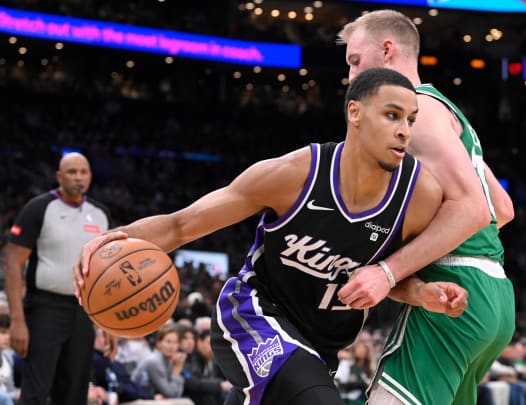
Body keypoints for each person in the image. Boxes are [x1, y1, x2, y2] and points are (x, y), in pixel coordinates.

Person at [73, 68, 469, 405]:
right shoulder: (294, 174)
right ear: (355, 112)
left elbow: (382, 277)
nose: (404, 132)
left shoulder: (418, 197)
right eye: (392, 115)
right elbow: (181, 225)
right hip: (253, 316)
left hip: (321, 346)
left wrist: (421, 294)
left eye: (411, 120)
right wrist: (114, 239)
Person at [336, 9, 517, 405]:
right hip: (494, 294)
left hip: (454, 289)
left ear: (387, 50)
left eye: (355, 61)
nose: (351, 76)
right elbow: (501, 208)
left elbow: (474, 209)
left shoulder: (416, 111)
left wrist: (388, 271)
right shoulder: (447, 110)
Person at [0, 152, 114, 404]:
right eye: (72, 172)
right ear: (59, 176)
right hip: (45, 308)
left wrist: (109, 324)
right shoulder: (39, 207)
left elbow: (107, 271)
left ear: (90, 176)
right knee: (36, 390)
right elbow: (12, 263)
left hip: (84, 309)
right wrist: (17, 321)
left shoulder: (100, 213)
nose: (78, 177)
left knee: (75, 390)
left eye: (83, 172)